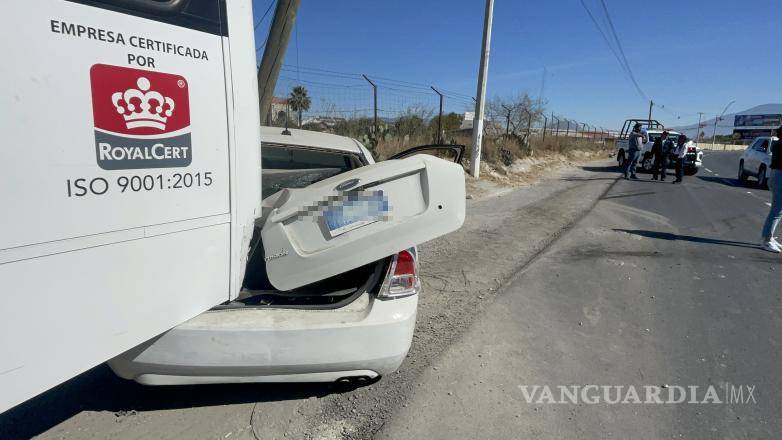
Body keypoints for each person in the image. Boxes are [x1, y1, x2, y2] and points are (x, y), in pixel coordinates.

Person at [760, 128, 782, 253]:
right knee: (776, 210)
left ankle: (769, 237)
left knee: (778, 211)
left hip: (777, 176)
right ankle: (766, 240)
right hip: (779, 177)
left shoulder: (778, 144)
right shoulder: (780, 145)